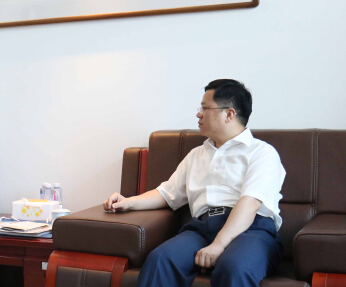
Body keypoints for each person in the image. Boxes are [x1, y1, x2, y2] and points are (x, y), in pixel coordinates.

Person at [103, 79, 285, 287]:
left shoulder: (262, 153)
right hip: (202, 228)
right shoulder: (196, 155)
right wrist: (128, 202)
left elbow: (250, 203)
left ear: (229, 114)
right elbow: (167, 193)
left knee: (234, 268)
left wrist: (218, 245)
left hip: (252, 230)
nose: (199, 114)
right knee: (160, 260)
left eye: (205, 108)